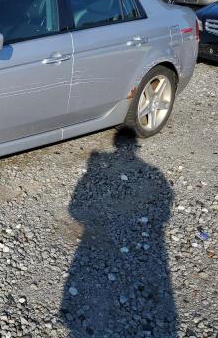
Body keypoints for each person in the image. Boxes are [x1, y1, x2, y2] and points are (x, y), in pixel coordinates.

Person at [60, 129, 177, 337]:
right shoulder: (153, 173)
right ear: (135, 147)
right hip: (146, 243)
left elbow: (74, 209)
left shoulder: (95, 171)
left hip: (95, 242)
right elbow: (165, 206)